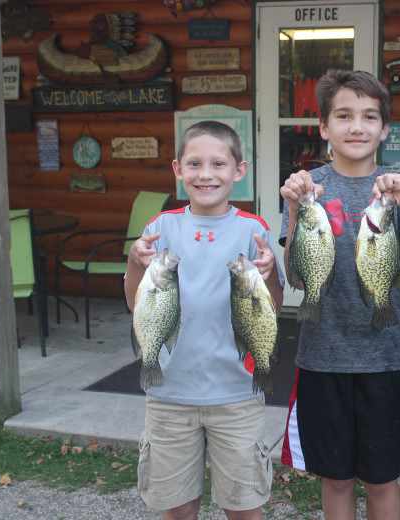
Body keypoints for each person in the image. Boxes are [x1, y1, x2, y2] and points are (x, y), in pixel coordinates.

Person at [278, 69, 400, 520]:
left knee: (382, 481)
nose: (356, 126)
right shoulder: (307, 188)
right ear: (324, 128)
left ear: (384, 129)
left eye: (368, 117)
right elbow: (297, 280)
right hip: (322, 359)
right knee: (336, 478)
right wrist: (292, 208)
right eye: (343, 116)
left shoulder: (397, 190)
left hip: (387, 361)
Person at [124, 120, 285, 520]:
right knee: (178, 507)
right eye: (194, 164)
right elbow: (135, 303)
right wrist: (132, 261)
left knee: (244, 507)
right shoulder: (160, 228)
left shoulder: (254, 230)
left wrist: (269, 274)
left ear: (239, 171)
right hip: (170, 396)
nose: (206, 174)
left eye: (218, 164)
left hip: (236, 394)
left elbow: (272, 310)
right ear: (178, 169)